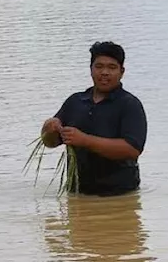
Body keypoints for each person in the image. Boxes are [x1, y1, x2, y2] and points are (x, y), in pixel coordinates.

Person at [41, 41, 147, 196]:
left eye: (112, 67)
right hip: (77, 193)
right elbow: (50, 142)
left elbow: (132, 149)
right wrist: (49, 128)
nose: (104, 72)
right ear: (91, 69)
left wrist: (85, 140)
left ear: (122, 71)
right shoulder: (75, 101)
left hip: (119, 196)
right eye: (99, 67)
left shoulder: (130, 105)